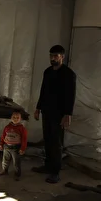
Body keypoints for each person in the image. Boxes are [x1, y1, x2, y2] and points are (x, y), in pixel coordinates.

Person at [33, 44, 76, 184]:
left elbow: (71, 95)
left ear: (62, 57)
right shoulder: (47, 72)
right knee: (47, 139)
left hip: (59, 113)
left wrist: (68, 114)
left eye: (56, 56)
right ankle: (48, 166)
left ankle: (55, 172)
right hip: (46, 110)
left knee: (56, 142)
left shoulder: (68, 74)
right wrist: (38, 108)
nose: (53, 58)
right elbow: (43, 91)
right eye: (51, 56)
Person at [0, 110, 28, 180]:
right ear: (11, 118)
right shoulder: (7, 127)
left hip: (16, 148)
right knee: (5, 160)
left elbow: (24, 139)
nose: (15, 119)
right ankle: (5, 170)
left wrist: (22, 148)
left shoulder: (22, 129)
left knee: (16, 162)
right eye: (14, 117)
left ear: (21, 119)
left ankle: (17, 174)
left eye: (17, 118)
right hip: (6, 146)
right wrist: (1, 144)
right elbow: (3, 136)